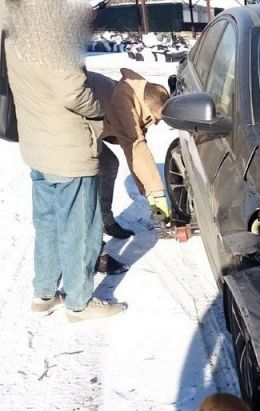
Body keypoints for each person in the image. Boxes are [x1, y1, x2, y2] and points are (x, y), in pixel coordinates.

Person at [2, 0, 125, 322]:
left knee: (47, 224)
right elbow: (72, 92)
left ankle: (44, 293)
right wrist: (100, 109)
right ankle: (79, 303)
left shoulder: (16, 31)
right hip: (68, 149)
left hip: (38, 145)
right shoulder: (52, 34)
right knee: (80, 229)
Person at [88, 68, 172, 228]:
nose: (156, 123)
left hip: (89, 127)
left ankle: (105, 221)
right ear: (147, 106)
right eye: (156, 118)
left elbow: (137, 153)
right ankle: (91, 234)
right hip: (69, 125)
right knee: (90, 173)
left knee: (109, 164)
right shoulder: (122, 102)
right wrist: (157, 194)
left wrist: (147, 190)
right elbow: (135, 146)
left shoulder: (134, 97)